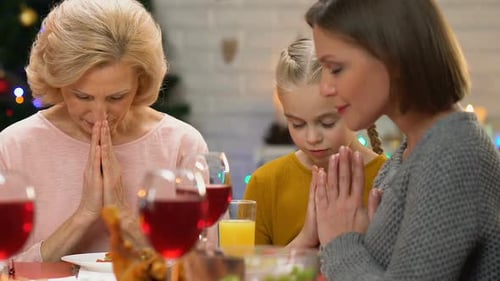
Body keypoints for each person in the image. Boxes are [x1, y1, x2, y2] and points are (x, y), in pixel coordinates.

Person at [0, 0, 209, 262]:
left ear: (140, 82)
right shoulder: (14, 146)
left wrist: (121, 214)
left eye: (116, 97)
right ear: (58, 81)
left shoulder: (181, 145)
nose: (100, 115)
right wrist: (84, 215)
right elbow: (5, 270)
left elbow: (203, 267)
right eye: (82, 96)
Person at [305, 0, 500, 280]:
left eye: (335, 69)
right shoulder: (412, 153)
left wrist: (341, 243)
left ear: (393, 58)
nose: (325, 88)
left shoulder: (454, 153)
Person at [243, 38, 386, 247]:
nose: (312, 138)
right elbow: (245, 275)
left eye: (327, 123)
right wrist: (306, 239)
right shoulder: (265, 183)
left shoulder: (389, 180)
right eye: (297, 124)